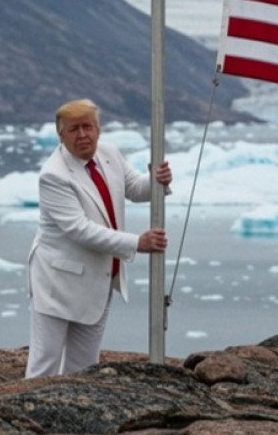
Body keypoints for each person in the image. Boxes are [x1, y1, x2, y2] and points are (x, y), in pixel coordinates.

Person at [25, 99, 171, 377]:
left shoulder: (109, 154)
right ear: (61, 135)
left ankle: (73, 416)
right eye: (73, 129)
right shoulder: (53, 175)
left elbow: (135, 189)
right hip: (57, 283)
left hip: (96, 280)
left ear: (98, 129)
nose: (82, 135)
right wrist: (135, 243)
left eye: (87, 127)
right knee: (45, 364)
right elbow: (79, 229)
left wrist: (156, 179)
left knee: (84, 366)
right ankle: (30, 418)